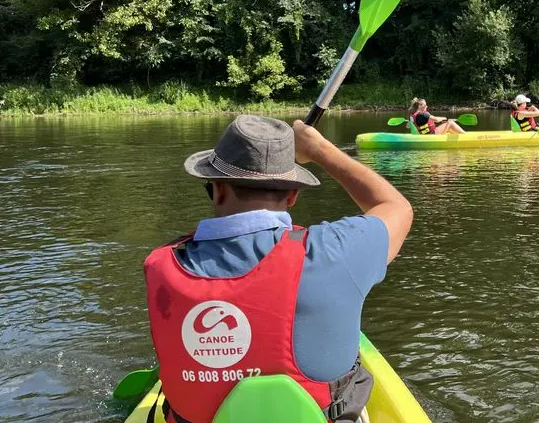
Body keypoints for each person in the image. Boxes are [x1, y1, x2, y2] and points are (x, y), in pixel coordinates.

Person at [143, 115, 413, 423]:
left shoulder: (161, 265)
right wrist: (319, 149)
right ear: (293, 194)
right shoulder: (334, 251)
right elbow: (397, 207)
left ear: (218, 190)